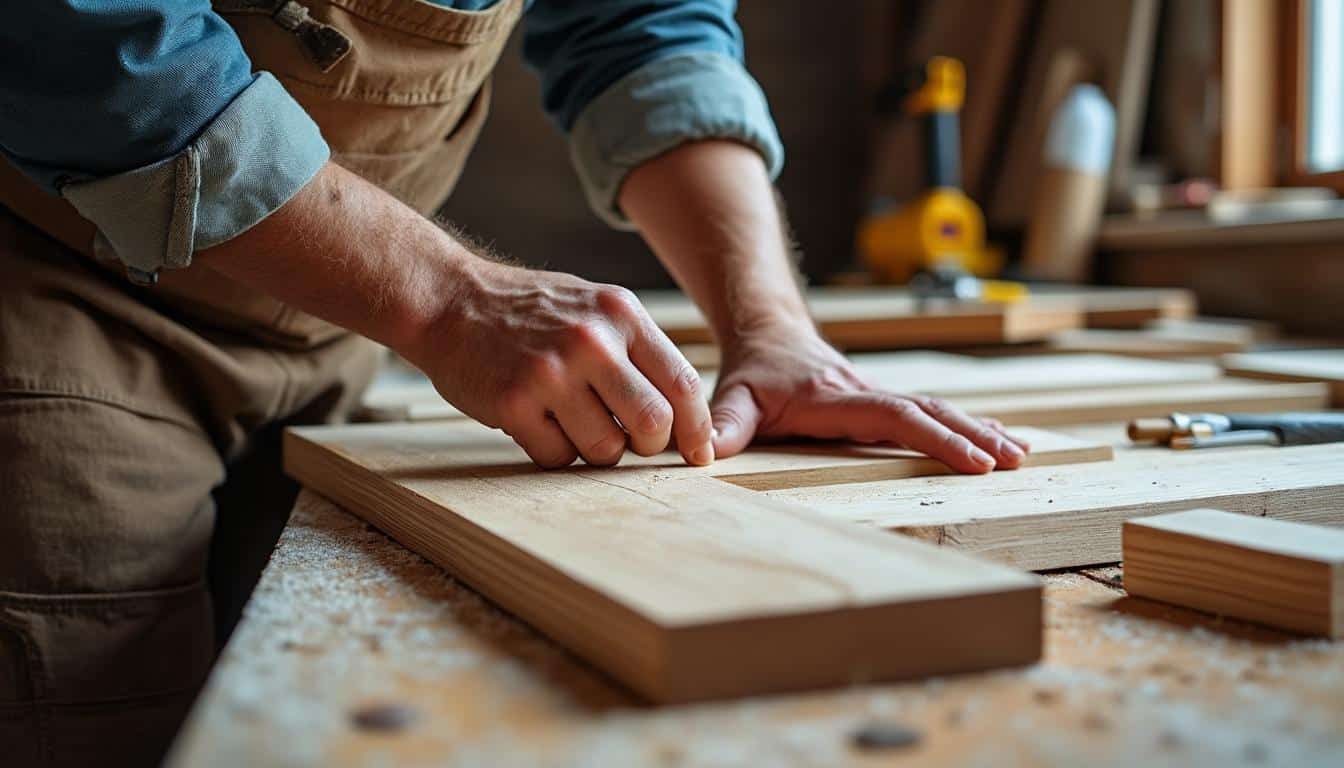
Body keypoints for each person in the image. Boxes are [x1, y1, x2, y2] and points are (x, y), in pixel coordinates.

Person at [0, 1, 1029, 764]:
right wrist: (445, 300)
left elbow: (648, 32)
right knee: (103, 718)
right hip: (70, 297)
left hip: (341, 323)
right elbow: (100, 47)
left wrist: (772, 329)